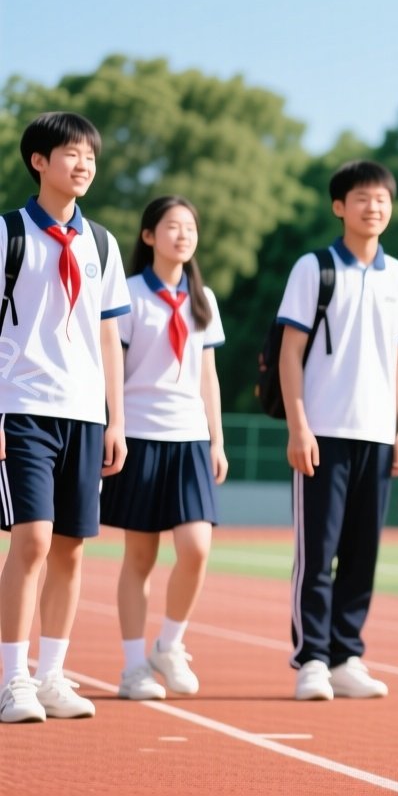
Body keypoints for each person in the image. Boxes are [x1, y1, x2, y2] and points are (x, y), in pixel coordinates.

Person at [0, 113, 131, 724]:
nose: (83, 165)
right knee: (32, 541)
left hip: (84, 411)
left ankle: (53, 674)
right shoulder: (8, 234)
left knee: (73, 549)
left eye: (90, 157)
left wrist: (116, 419)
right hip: (22, 407)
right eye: (71, 154)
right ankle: (13, 679)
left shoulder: (101, 243)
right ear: (39, 161)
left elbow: (109, 338)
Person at [279, 161, 398, 702]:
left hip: (378, 434)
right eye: (362, 198)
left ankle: (346, 655)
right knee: (318, 553)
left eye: (382, 199)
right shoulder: (312, 269)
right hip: (323, 432)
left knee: (363, 553)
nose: (374, 208)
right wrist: (300, 426)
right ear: (339, 206)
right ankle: (311, 658)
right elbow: (290, 353)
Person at [101, 197, 226, 702]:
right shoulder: (129, 295)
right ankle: (134, 667)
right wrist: (117, 427)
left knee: (197, 548)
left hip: (190, 437)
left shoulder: (204, 299)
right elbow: (116, 366)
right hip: (141, 436)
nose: (182, 235)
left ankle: (169, 644)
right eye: (171, 227)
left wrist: (217, 439)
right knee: (140, 556)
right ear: (149, 236)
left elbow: (208, 375)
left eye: (190, 228)